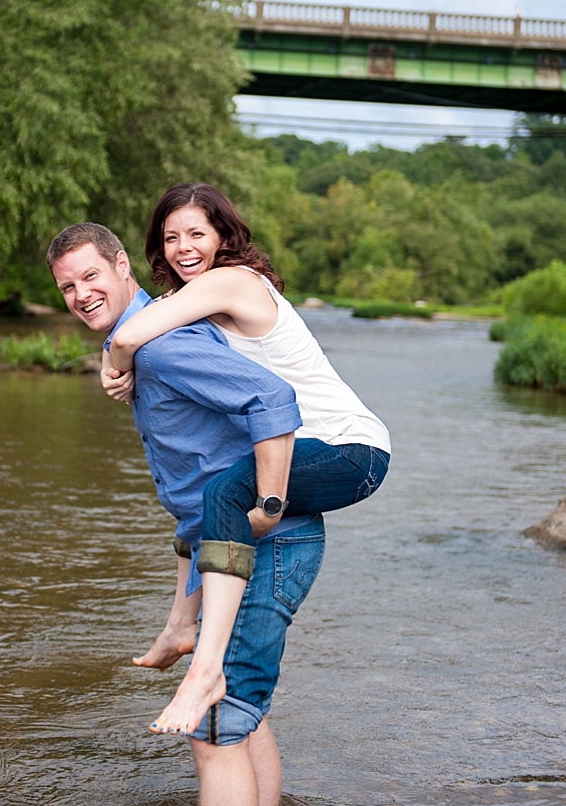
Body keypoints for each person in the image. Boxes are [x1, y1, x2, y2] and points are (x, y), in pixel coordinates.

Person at [47, 220, 316, 806]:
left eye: (91, 276)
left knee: (212, 726)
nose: (81, 293)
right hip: (224, 543)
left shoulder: (160, 346)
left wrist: (267, 511)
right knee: (237, 706)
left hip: (262, 537)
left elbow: (273, 398)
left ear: (122, 269)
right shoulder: (142, 345)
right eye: (66, 286)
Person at [101, 182, 390, 741]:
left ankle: (206, 671)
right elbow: (148, 323)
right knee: (208, 491)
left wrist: (114, 360)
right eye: (171, 238)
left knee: (225, 495)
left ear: (222, 236)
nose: (184, 247)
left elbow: (132, 331)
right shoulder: (197, 301)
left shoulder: (230, 281)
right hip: (323, 450)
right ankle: (183, 629)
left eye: (196, 234)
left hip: (352, 450)